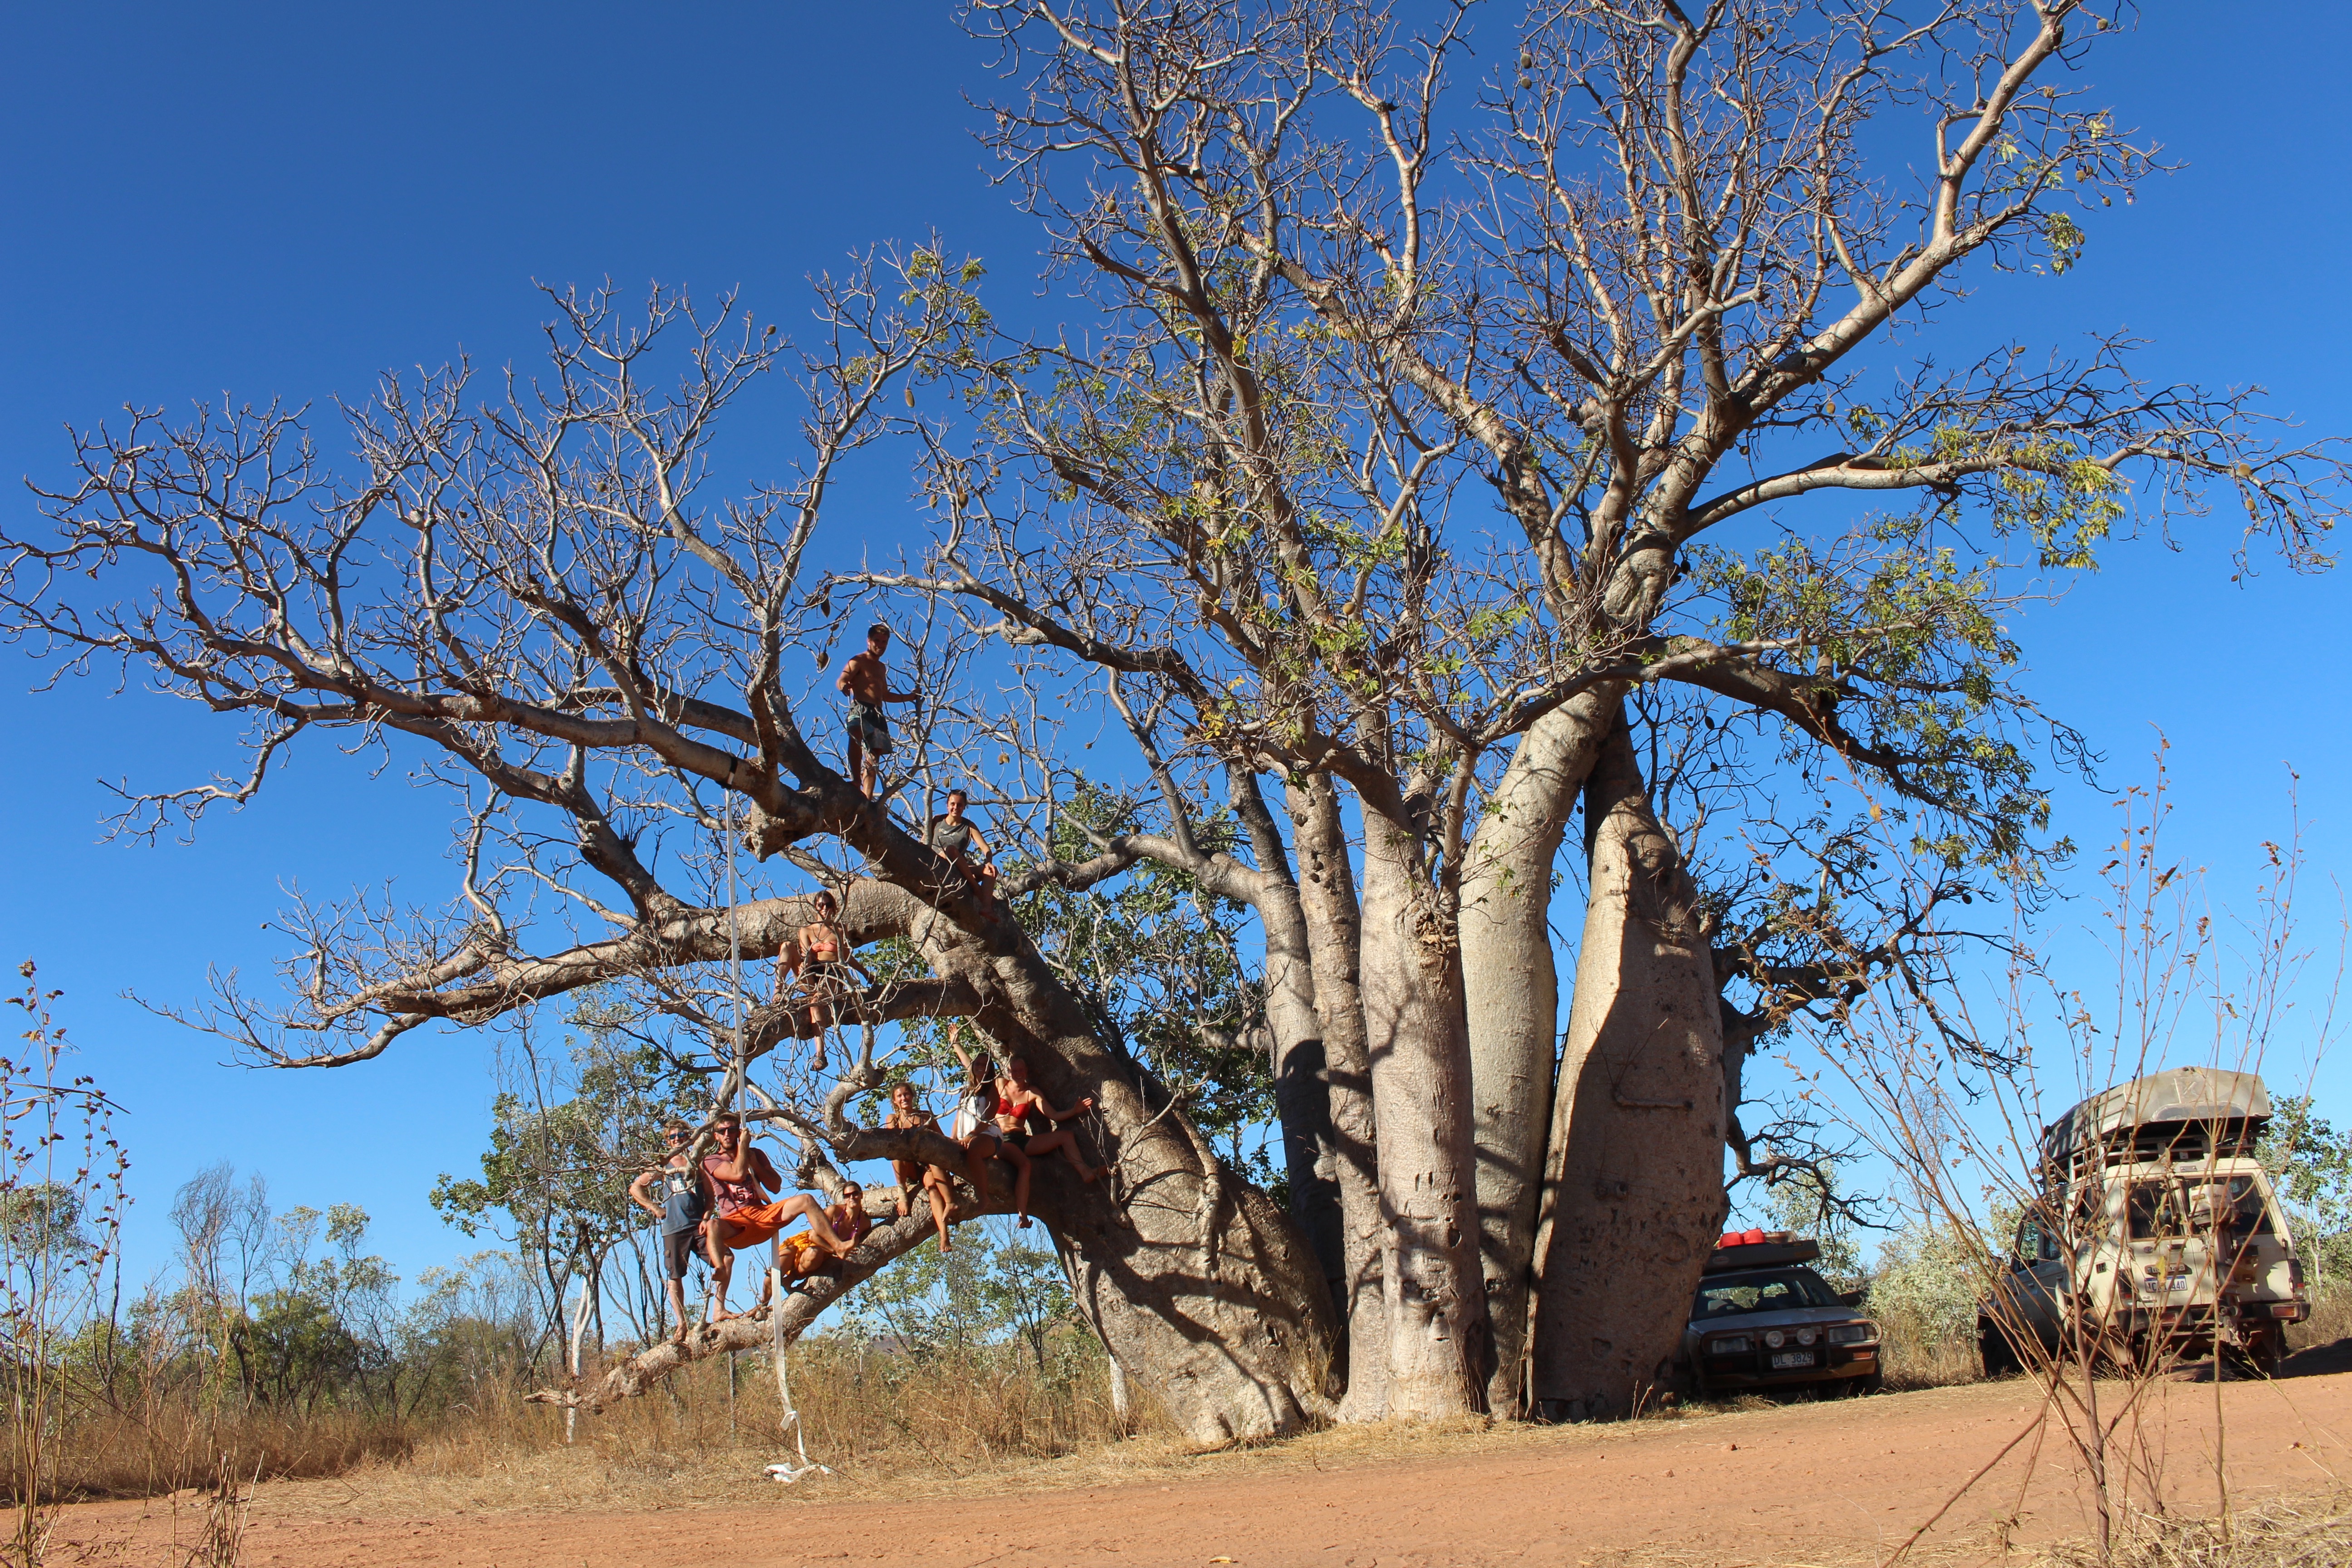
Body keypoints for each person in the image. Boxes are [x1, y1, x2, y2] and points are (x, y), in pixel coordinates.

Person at [699, 1112, 849, 1321]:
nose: (727, 1135)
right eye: (722, 1131)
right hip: (735, 1222)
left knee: (806, 1200)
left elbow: (775, 1187)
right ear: (716, 1136)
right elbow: (737, 1174)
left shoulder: (755, 1154)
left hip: (761, 1214)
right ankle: (720, 1269)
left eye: (732, 1130)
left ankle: (838, 1246)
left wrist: (756, 1164)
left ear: (738, 1132)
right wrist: (743, 1147)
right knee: (713, 1225)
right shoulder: (711, 1160)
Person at [627, 1119, 706, 1344]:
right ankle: (682, 1323)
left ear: (689, 1137)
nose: (678, 1140)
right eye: (673, 1137)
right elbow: (636, 1187)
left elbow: (710, 1193)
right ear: (667, 1140)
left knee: (725, 1259)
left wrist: (709, 1215)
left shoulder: (697, 1161)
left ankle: (718, 1309)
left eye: (682, 1135)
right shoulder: (663, 1165)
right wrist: (654, 1208)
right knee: (675, 1276)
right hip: (674, 1227)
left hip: (698, 1224)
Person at [950, 1028, 1034, 1226]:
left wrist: (970, 1137)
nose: (979, 1067)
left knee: (975, 1150)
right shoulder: (966, 1092)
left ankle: (984, 1196)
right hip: (967, 1136)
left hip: (989, 1136)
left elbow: (988, 1119)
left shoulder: (993, 1091)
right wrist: (955, 1043)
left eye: (984, 1065)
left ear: (990, 1070)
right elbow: (957, 1118)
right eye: (977, 1064)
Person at [992, 1053, 1108, 1196]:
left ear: (1027, 1070)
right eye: (1014, 1071)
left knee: (1066, 1136)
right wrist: (956, 1045)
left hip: (1023, 1141)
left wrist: (1075, 1110)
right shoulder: (999, 1084)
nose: (1018, 1074)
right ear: (1009, 1072)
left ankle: (1085, 1172)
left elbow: (1054, 1116)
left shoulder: (1032, 1092)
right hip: (1002, 1139)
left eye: (1021, 1070)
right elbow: (974, 1071)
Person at [775, 890, 873, 1054]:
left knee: (816, 1002)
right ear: (816, 907)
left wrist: (866, 974)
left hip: (832, 972)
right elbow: (806, 956)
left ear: (834, 908)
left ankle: (820, 1053)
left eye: (828, 905)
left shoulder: (840, 930)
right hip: (811, 971)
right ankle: (778, 990)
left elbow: (846, 955)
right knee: (786, 946)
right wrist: (806, 960)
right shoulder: (805, 931)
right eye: (821, 905)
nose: (824, 908)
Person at [834, 622, 919, 799]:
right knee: (855, 735)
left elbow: (885, 694)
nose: (880, 645)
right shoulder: (857, 661)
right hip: (860, 707)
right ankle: (856, 780)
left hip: (877, 713)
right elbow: (842, 679)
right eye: (877, 641)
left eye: (884, 642)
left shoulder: (882, 668)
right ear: (869, 641)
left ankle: (867, 795)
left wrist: (910, 697)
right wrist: (844, 687)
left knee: (874, 755)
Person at [884, 1081, 957, 1253]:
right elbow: (893, 1142)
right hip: (907, 1166)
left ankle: (944, 1235)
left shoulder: (925, 1116)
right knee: (896, 1156)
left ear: (913, 1096)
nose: (904, 1098)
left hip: (927, 1165)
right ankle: (903, 1194)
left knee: (932, 1189)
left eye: (906, 1094)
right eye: (900, 1096)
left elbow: (942, 1139)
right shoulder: (893, 1119)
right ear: (895, 1101)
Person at [774, 1181, 876, 1292]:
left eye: (855, 1194)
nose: (852, 1197)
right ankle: (789, 1279)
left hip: (827, 1254)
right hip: (810, 1243)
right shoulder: (835, 1211)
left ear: (861, 1195)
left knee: (818, 1257)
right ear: (844, 1199)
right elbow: (814, 1236)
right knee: (813, 1254)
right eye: (847, 1196)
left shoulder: (865, 1224)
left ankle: (792, 1281)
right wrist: (836, 1250)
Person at [926, 789, 999, 907]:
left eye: (960, 805)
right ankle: (976, 888)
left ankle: (987, 908)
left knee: (989, 871)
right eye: (953, 804)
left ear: (965, 806)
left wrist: (989, 863)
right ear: (947, 805)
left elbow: (986, 849)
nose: (956, 807)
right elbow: (924, 841)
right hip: (936, 864)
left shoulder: (969, 826)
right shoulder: (937, 820)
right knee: (950, 850)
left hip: (957, 868)